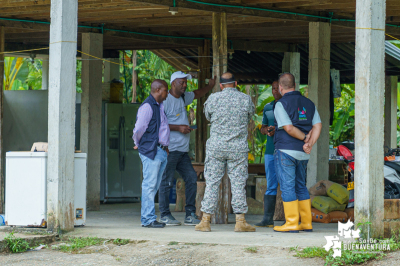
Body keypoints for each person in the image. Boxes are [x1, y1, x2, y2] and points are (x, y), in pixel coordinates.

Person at [195, 72, 256, 232]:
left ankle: (205, 221)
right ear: (236, 83)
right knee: (238, 183)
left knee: (212, 182)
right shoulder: (245, 99)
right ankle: (240, 221)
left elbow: (207, 116)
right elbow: (250, 116)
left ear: (221, 85)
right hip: (237, 148)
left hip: (217, 147)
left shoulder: (213, 99)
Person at [159, 71, 216, 226]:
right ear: (173, 83)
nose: (185, 85)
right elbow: (159, 124)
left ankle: (190, 214)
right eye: (181, 82)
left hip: (182, 152)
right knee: (166, 181)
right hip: (169, 149)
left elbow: (197, 93)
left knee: (191, 178)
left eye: (185, 82)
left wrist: (210, 86)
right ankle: (164, 215)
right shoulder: (165, 100)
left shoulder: (184, 97)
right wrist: (178, 128)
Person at [272, 73, 322, 233]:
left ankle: (292, 223)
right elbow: (318, 125)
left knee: (287, 186)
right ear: (295, 85)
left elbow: (288, 128)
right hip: (303, 154)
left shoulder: (281, 104)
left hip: (286, 151)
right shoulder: (309, 103)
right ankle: (306, 223)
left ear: (280, 87)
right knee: (301, 185)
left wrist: (304, 138)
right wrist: (309, 143)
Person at [133, 79, 170, 228]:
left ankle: (149, 217)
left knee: (153, 186)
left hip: (160, 151)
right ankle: (148, 220)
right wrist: (137, 143)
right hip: (152, 150)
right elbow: (139, 128)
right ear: (159, 90)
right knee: (149, 185)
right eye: (166, 91)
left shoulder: (159, 106)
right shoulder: (148, 106)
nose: (167, 94)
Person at [255, 81, 281, 227]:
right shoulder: (267, 107)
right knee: (271, 185)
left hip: (285, 151)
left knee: (288, 185)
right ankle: (267, 219)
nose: (275, 91)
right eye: (273, 88)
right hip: (270, 151)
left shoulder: (288, 106)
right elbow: (263, 127)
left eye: (277, 88)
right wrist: (266, 130)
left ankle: (292, 219)